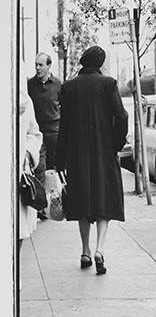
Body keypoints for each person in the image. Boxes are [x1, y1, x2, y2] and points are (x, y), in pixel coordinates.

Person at [56, 45, 128, 275]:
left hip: (77, 154)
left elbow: (63, 126)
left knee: (83, 200)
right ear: (100, 63)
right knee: (103, 200)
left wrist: (60, 160)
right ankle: (99, 248)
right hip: (104, 152)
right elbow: (122, 116)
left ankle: (85, 250)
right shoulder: (109, 84)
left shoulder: (68, 87)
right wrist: (116, 143)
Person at [27, 53, 61, 219]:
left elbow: (64, 107)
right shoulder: (30, 85)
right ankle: (40, 207)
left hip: (54, 131)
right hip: (38, 132)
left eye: (41, 65)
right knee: (39, 168)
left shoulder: (58, 84)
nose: (38, 68)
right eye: (36, 65)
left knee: (52, 170)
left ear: (49, 66)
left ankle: (55, 205)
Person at [19, 71, 43, 254]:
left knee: (19, 229)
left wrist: (27, 152)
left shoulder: (25, 102)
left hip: (18, 172)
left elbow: (34, 133)